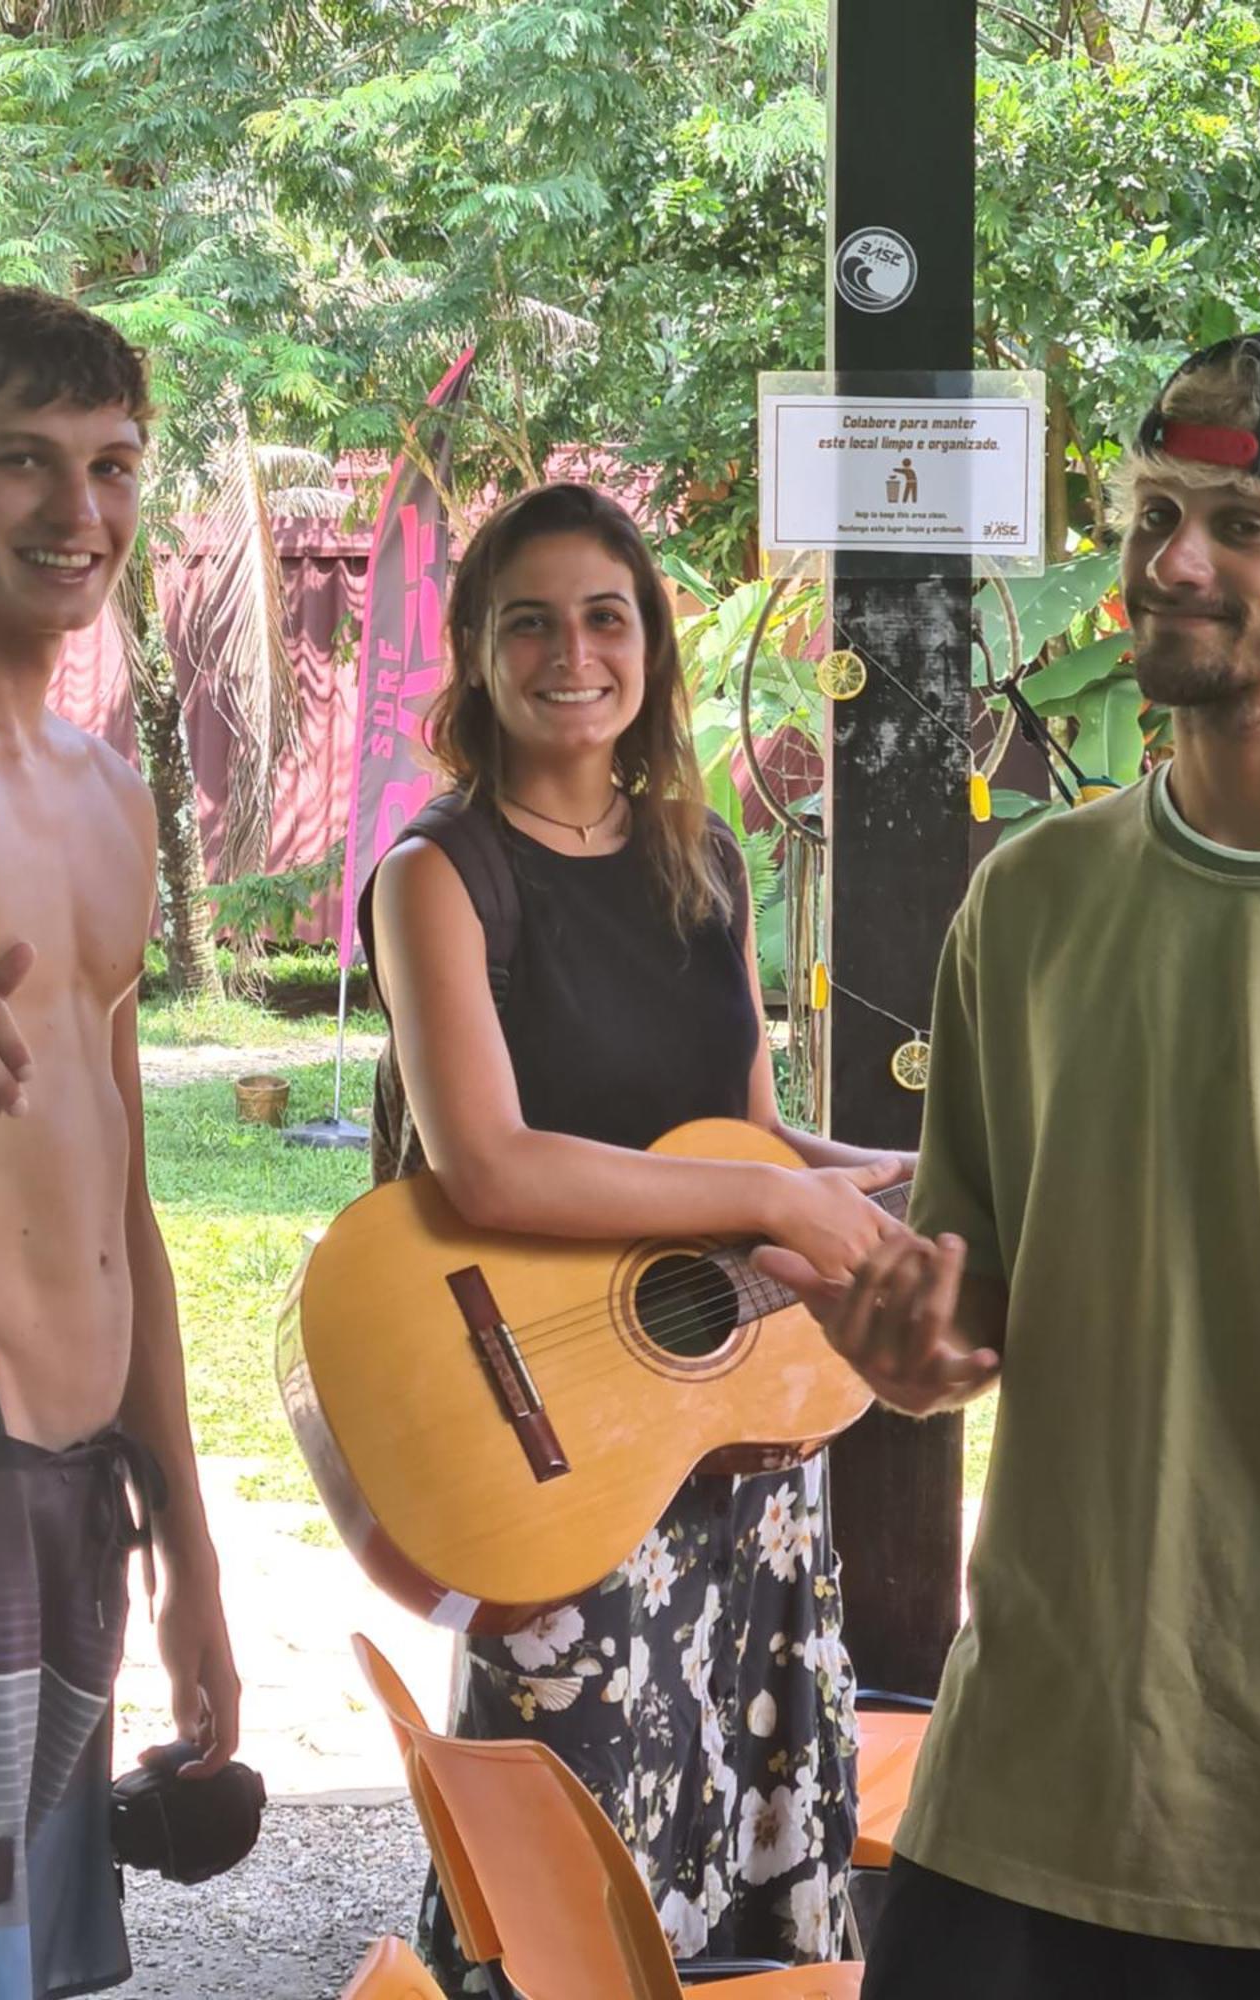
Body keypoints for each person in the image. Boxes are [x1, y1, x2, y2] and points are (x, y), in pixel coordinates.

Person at [760, 329, 1260, 1997]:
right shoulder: (1029, 906)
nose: (1176, 560)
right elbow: (966, 1325)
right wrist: (905, 1352)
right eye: (1154, 512)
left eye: (1242, 527)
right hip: (1035, 1794)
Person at [363, 481, 908, 1986]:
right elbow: (493, 1164)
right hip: (555, 1431)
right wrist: (770, 1200)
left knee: (751, 1835)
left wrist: (891, 1174)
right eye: (528, 621)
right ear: (474, 650)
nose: (572, 652)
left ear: (652, 652)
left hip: (739, 1443)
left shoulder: (703, 856)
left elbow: (738, 1134)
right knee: (564, 1880)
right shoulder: (440, 875)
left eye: (607, 618)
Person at [0, 283, 239, 1999]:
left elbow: (127, 1202)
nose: (78, 512)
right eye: (20, 462)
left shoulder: (108, 795)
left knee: (18, 1973)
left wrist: (188, 1550)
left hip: (76, 1490)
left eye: (110, 465)